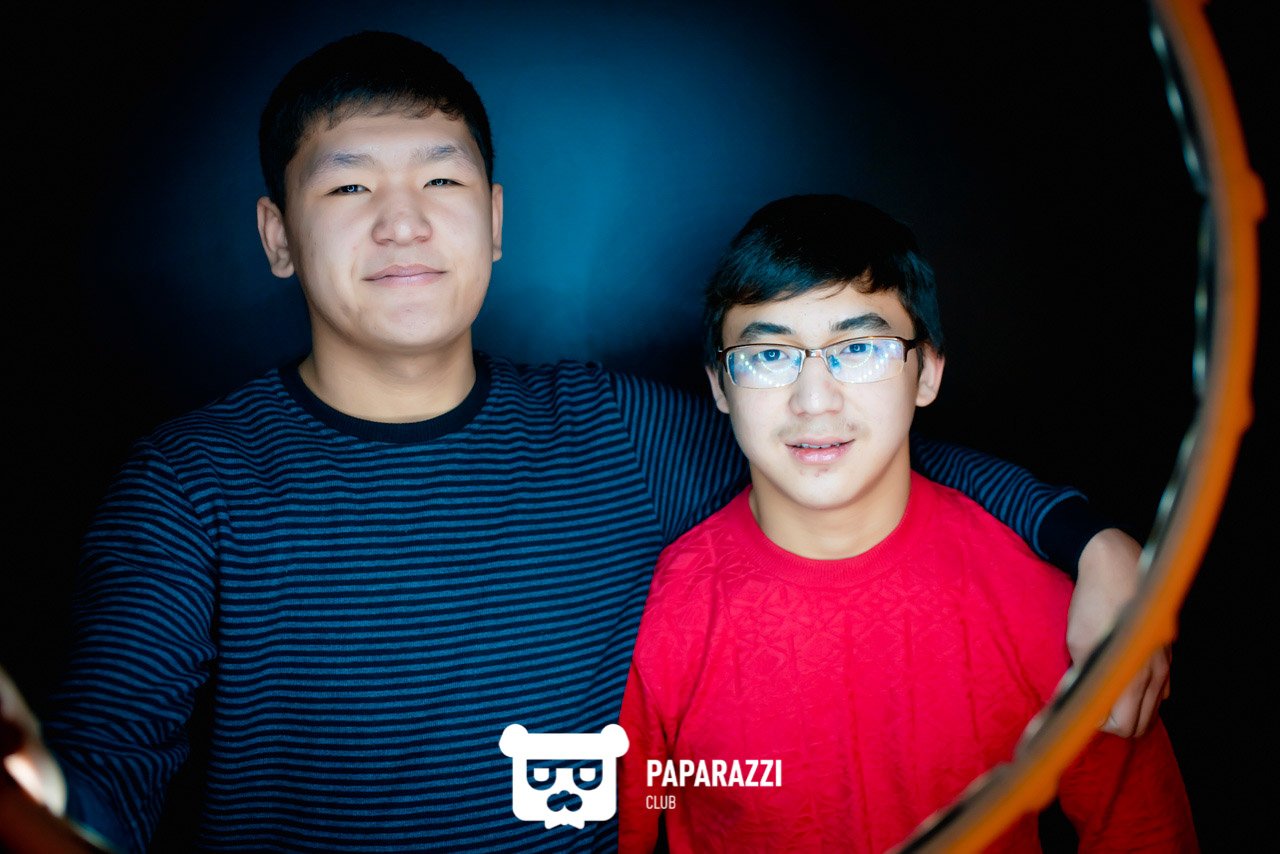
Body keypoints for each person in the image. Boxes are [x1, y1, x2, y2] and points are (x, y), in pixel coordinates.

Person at [0, 31, 1167, 854]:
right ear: (276, 235)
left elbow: (835, 446)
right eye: (348, 188)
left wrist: (1084, 536)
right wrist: (37, 785)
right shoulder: (188, 482)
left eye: (440, 178)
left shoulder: (617, 431)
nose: (402, 221)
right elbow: (109, 762)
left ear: (495, 220)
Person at [616, 193, 1197, 852]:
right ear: (721, 386)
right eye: (769, 356)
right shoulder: (660, 613)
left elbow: (1144, 836)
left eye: (860, 347)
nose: (814, 400)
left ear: (927, 374)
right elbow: (637, 809)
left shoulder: (1052, 610)